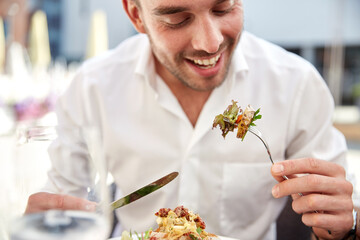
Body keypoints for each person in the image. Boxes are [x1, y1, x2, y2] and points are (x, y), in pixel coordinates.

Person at [25, 0, 359, 239]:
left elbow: (335, 221)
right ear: (135, 15)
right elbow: (65, 210)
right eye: (176, 19)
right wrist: (51, 224)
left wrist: (342, 228)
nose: (210, 42)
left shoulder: (296, 85)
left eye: (223, 9)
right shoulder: (92, 87)